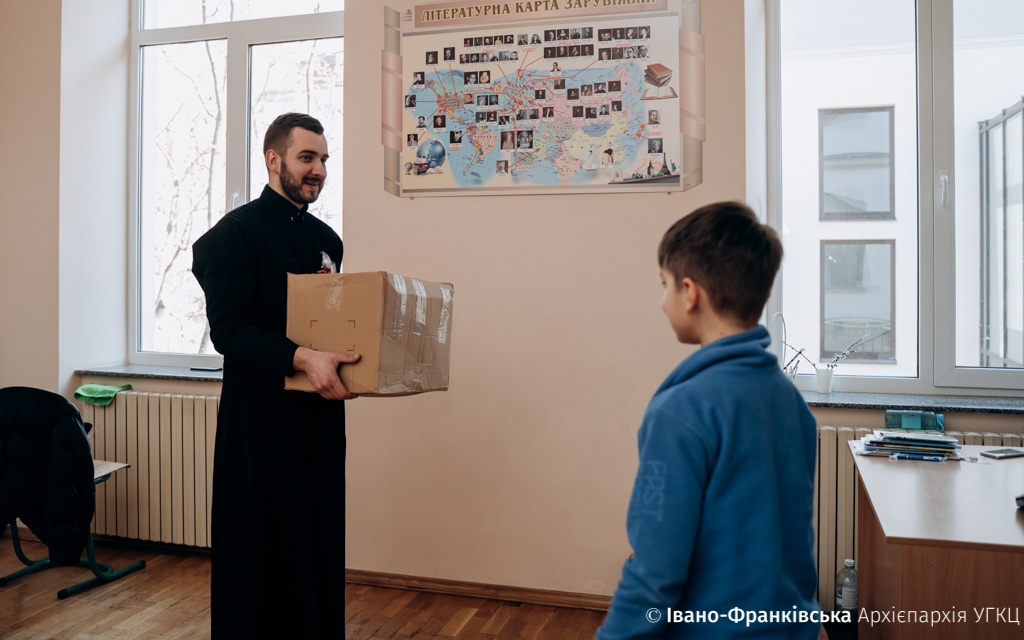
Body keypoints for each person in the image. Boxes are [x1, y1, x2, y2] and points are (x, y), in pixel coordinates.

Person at [593, 202, 821, 640]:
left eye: (664, 284)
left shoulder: (680, 412)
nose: (663, 302)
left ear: (689, 293)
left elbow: (655, 570)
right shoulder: (790, 401)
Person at [192, 113, 357, 639]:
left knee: (318, 534)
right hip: (258, 420)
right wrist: (302, 357)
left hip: (318, 416)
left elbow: (332, 322)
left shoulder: (328, 240)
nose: (319, 169)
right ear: (273, 159)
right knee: (259, 542)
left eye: (324, 159)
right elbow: (230, 331)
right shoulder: (234, 235)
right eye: (307, 157)